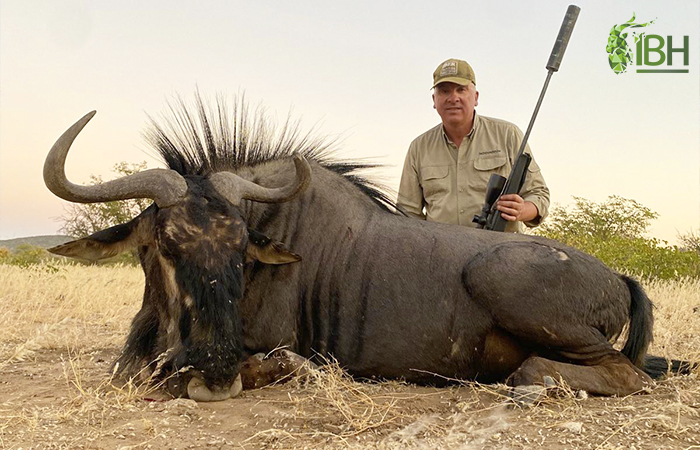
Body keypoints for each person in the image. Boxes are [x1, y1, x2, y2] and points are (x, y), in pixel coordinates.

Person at [397, 58, 550, 233]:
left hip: (501, 251)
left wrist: (523, 210)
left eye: (461, 90)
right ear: (434, 100)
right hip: (441, 255)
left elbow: (540, 195)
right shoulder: (418, 148)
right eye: (444, 91)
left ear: (476, 97)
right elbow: (406, 215)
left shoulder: (508, 135)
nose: (453, 98)